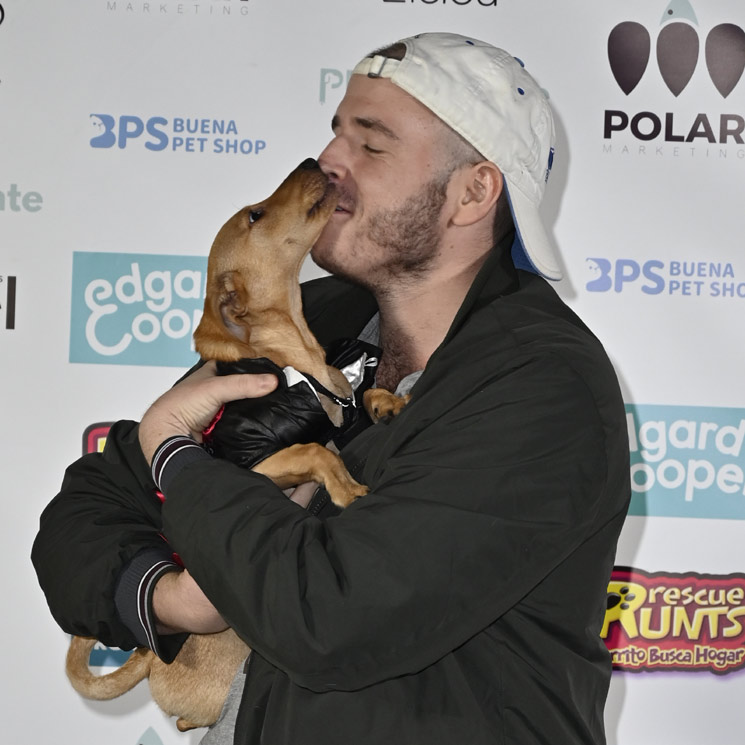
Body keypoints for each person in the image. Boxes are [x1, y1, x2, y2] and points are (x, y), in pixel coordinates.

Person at [33, 32, 630, 745]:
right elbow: (83, 515)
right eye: (335, 134)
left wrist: (175, 455)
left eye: (371, 146)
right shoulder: (314, 320)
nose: (329, 163)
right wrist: (176, 599)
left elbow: (327, 614)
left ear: (472, 191)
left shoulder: (541, 386)